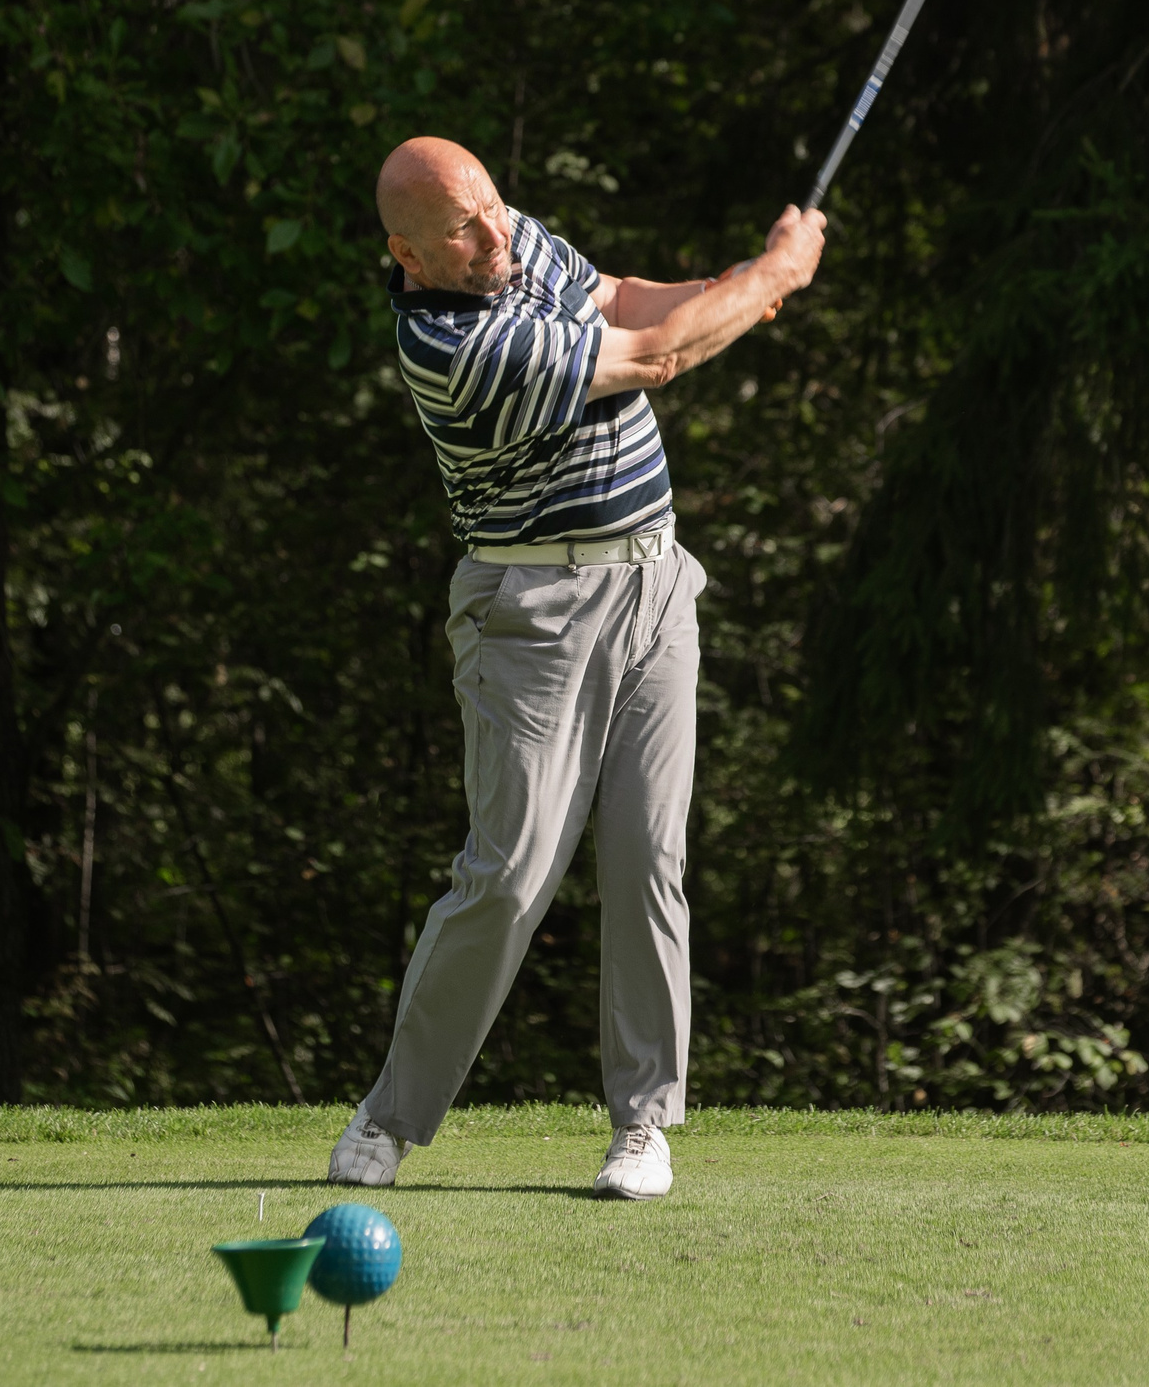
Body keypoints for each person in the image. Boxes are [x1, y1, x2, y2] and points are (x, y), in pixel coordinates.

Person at [328, 136, 826, 1199]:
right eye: (461, 228)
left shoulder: (509, 241)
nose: (492, 233)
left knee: (650, 860)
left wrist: (729, 287)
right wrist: (772, 279)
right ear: (407, 255)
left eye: (491, 207)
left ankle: (643, 1123)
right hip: (531, 615)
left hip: (655, 585)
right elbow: (652, 357)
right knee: (507, 874)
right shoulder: (450, 347)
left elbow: (621, 298)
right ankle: (390, 1114)